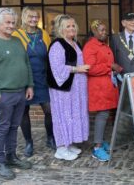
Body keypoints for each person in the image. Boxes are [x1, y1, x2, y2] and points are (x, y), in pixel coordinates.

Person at [0, 8, 33, 180]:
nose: (12, 25)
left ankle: (11, 156)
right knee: (2, 127)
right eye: (8, 22)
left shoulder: (17, 42)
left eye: (13, 22)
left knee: (13, 126)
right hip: (4, 94)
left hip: (20, 92)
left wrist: (30, 85)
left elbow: (27, 65)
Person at [12, 7, 54, 157]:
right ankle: (29, 142)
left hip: (42, 78)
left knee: (49, 110)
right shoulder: (16, 35)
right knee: (24, 112)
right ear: (24, 17)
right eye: (30, 17)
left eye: (36, 17)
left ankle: (50, 138)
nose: (34, 20)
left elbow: (49, 56)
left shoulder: (43, 34)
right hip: (24, 79)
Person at [47, 15, 89, 161]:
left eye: (73, 26)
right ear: (60, 29)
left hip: (76, 87)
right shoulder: (57, 45)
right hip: (63, 88)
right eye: (68, 26)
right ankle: (61, 148)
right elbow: (57, 68)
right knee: (63, 115)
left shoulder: (75, 43)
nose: (71, 28)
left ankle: (68, 143)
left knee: (73, 114)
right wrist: (78, 69)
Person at [84, 20, 120, 162]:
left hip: (106, 87)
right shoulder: (91, 46)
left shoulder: (103, 44)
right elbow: (90, 68)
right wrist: (109, 67)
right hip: (98, 88)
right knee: (102, 115)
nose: (104, 32)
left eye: (105, 30)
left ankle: (101, 141)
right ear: (94, 31)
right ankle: (97, 148)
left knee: (104, 115)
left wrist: (115, 69)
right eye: (101, 30)